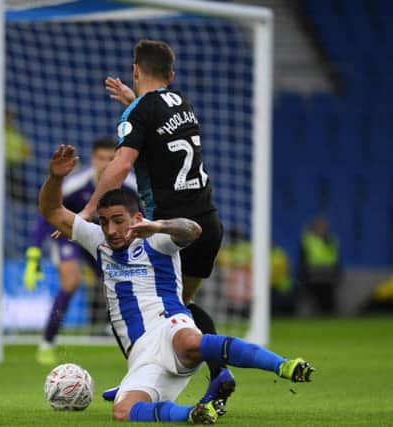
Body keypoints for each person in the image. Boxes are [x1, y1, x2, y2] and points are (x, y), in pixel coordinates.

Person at [40, 145, 315, 424]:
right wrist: (55, 178)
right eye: (105, 222)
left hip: (170, 325)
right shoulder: (97, 239)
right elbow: (51, 210)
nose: (111, 230)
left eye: (119, 221)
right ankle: (194, 414)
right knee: (122, 412)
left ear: (136, 218)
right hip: (141, 354)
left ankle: (283, 365)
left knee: (188, 342)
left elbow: (193, 230)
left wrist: (159, 227)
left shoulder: (156, 238)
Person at [78, 39, 233, 412]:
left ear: (135, 69)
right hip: (207, 221)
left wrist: (87, 210)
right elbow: (156, 121)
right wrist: (133, 102)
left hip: (169, 227)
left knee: (142, 301)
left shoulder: (139, 113)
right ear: (171, 75)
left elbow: (120, 165)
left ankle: (148, 376)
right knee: (180, 307)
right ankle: (218, 373)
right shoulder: (182, 103)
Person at [23, 137, 136, 365]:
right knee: (71, 281)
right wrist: (34, 253)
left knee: (114, 280)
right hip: (68, 236)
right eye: (101, 158)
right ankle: (47, 342)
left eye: (111, 159)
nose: (105, 164)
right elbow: (47, 213)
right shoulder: (75, 184)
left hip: (103, 238)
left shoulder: (130, 186)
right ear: (93, 159)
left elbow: (141, 215)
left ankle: (126, 335)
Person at [298, 215, 341, 315]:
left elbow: (337, 259)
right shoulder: (308, 240)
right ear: (314, 227)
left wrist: (338, 274)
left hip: (329, 276)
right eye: (320, 226)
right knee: (317, 303)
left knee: (329, 302)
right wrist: (303, 275)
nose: (323, 229)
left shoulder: (332, 240)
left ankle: (330, 320)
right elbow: (302, 260)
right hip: (314, 276)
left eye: (325, 227)